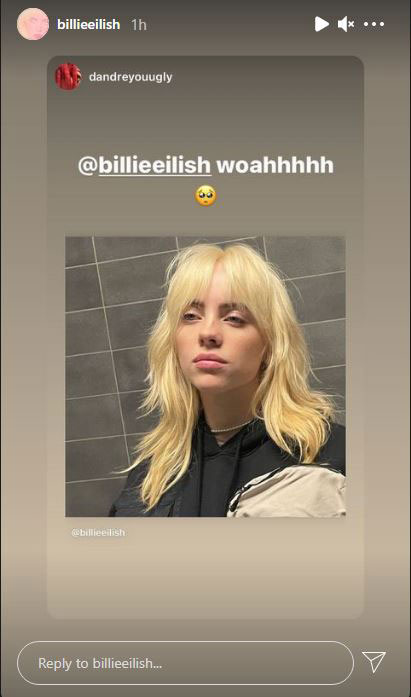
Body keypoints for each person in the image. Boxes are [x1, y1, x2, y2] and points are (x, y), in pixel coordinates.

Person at [109, 243, 345, 518]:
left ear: (270, 343)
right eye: (190, 316)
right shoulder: (150, 477)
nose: (208, 333)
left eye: (234, 318)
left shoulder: (331, 457)